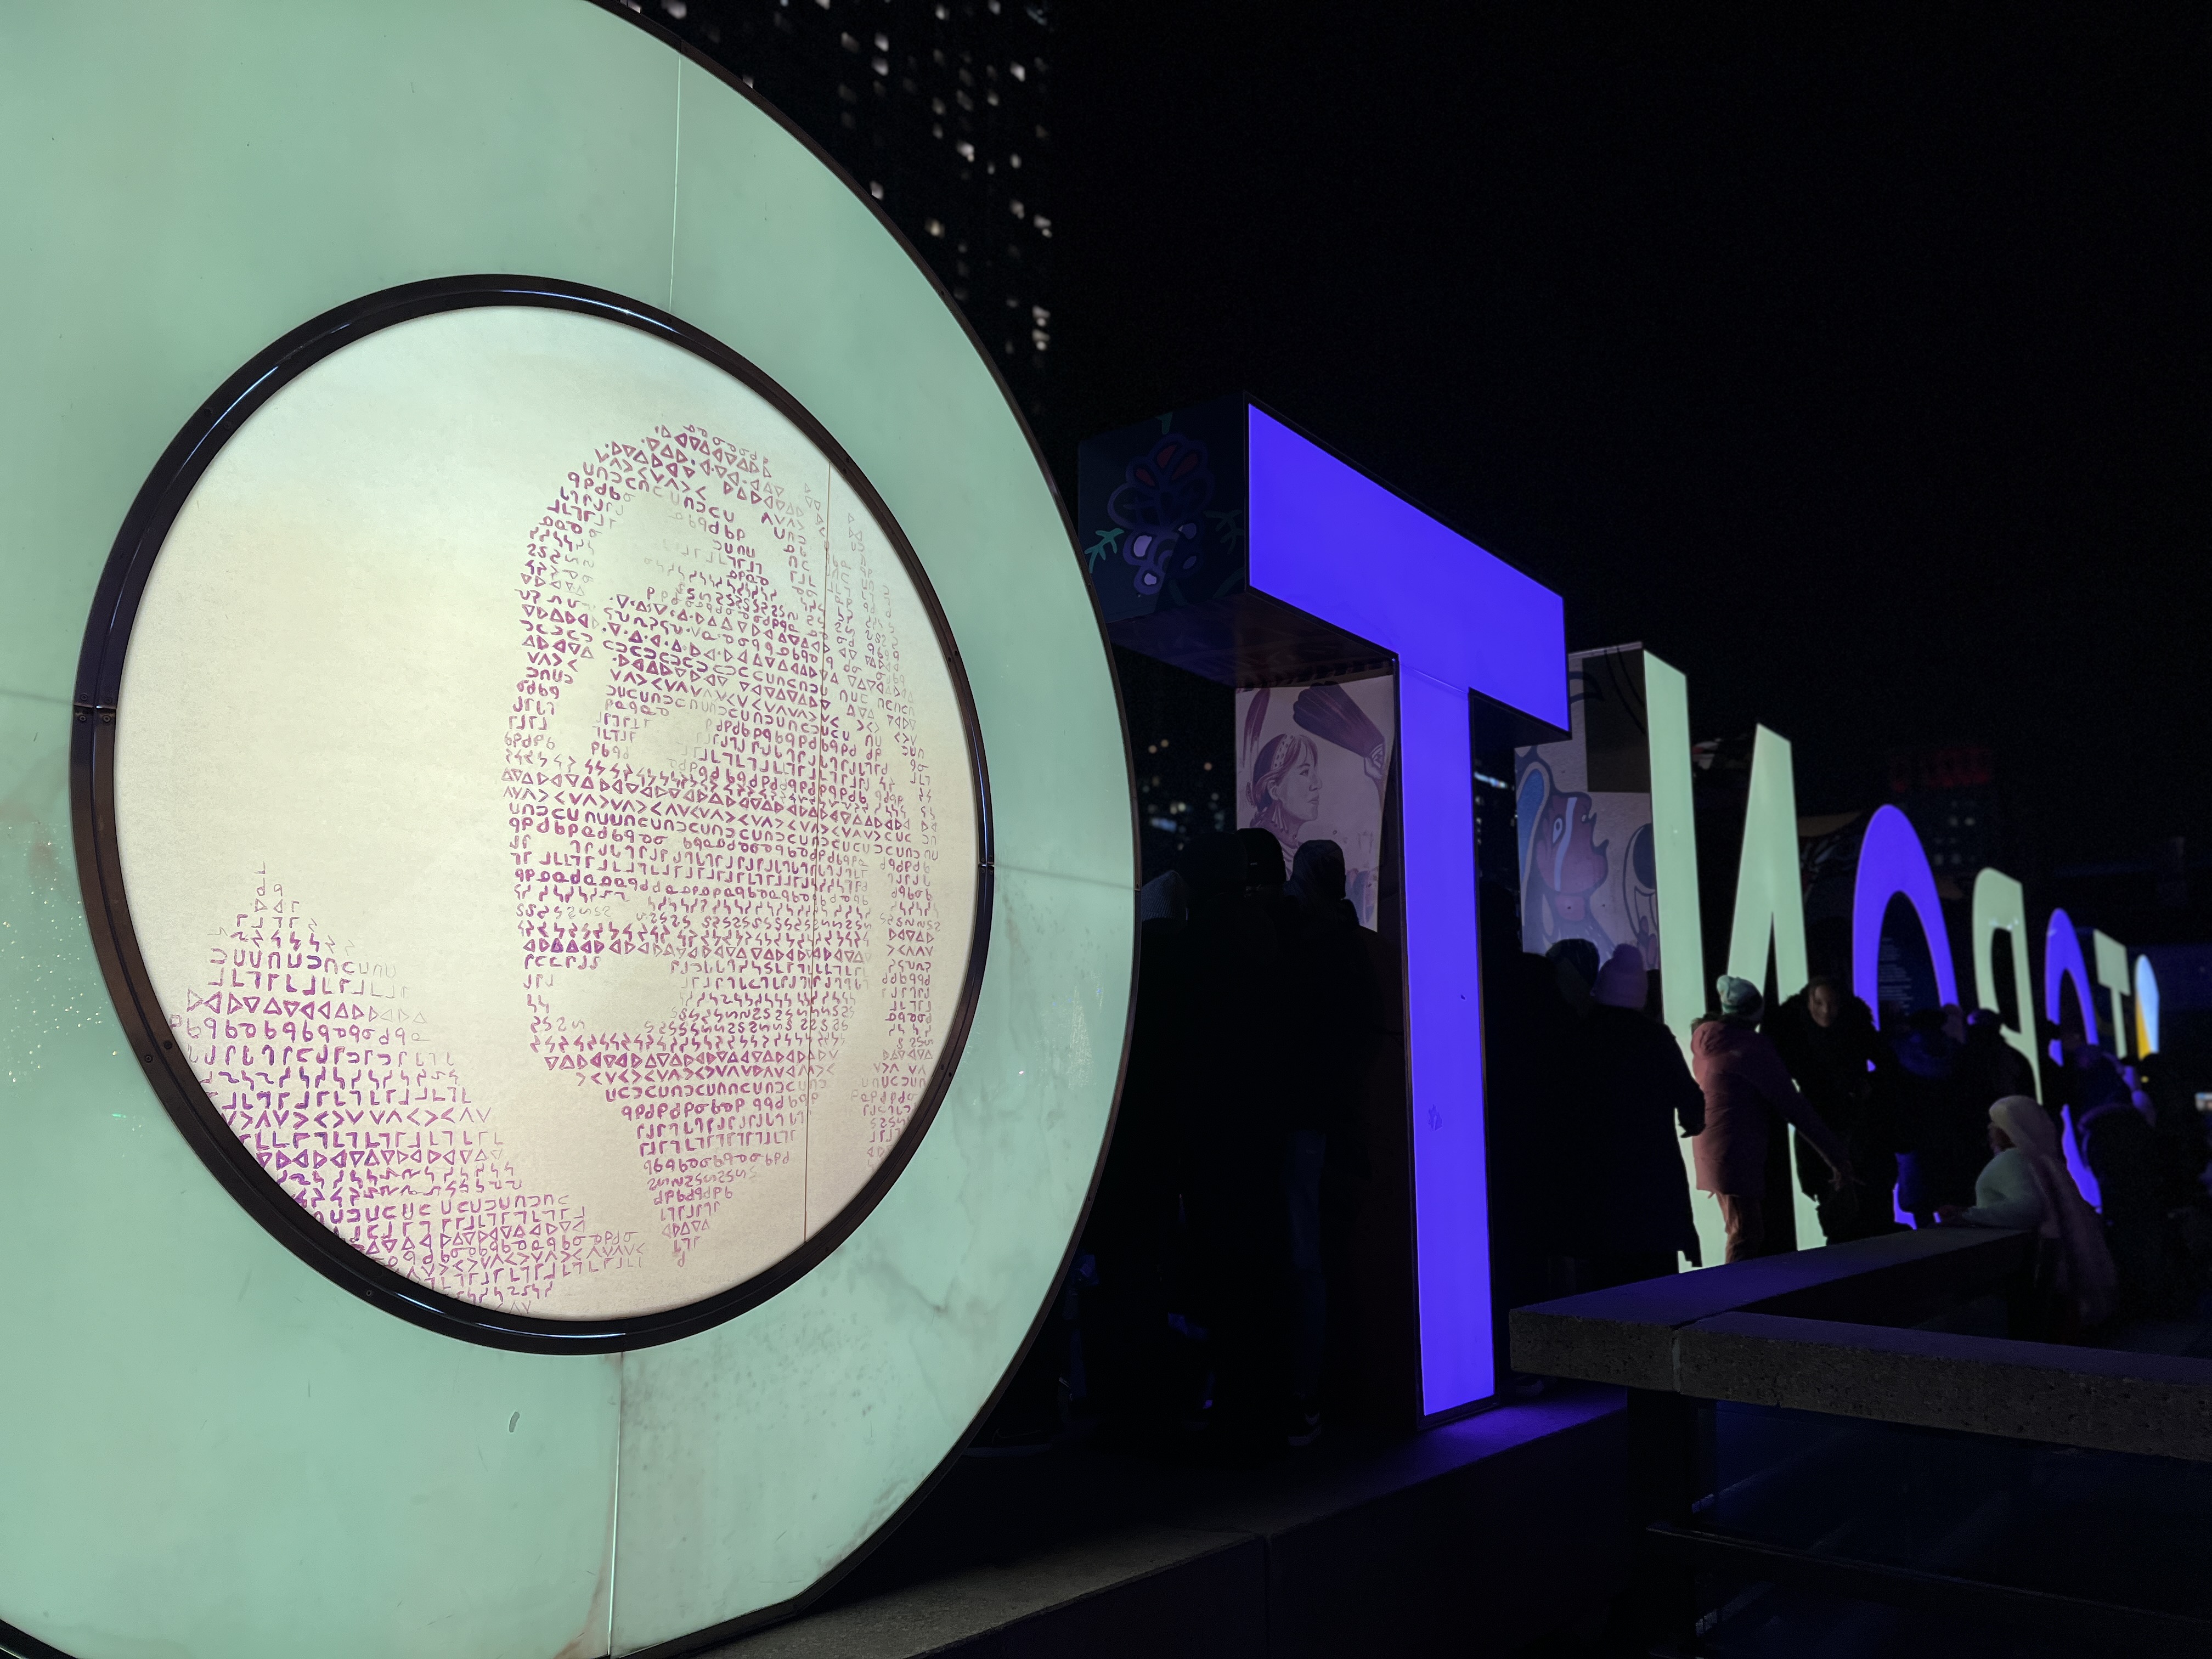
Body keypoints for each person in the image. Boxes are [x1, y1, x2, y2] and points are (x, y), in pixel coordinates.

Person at [1276, 838, 1376, 1444]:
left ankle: (1304, 1392)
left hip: (1306, 1120)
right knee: (1320, 1253)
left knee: (1303, 1256)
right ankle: (1317, 1390)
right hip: (1338, 1121)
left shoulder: (1310, 945)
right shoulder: (1350, 943)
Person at [1692, 975, 1854, 1263]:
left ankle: (1737, 1289)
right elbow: (1794, 1107)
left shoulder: (1708, 1039)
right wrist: (1837, 1157)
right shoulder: (1751, 1049)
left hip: (1713, 1147)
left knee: (1742, 1230)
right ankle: (1734, 1291)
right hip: (1735, 1151)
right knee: (1745, 1234)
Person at [1572, 945, 1705, 1284]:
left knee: (1603, 1281)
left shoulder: (1582, 1036)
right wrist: (1691, 1120)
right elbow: (1690, 1098)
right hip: (1652, 1179)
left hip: (1595, 1177)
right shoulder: (1656, 1038)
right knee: (1655, 1280)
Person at [1942, 1095, 2117, 1339]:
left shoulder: (2010, 1161)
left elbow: (2028, 1209)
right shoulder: (2043, 1161)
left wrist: (1969, 1216)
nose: (1991, 1129)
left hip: (2016, 1266)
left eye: (1997, 1123)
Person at [1767, 977, 1899, 1243]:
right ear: (1808, 1002)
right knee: (1834, 1205)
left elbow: (1888, 1064)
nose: (1826, 1011)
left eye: (1833, 1004)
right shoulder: (1790, 1028)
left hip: (1857, 1124)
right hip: (1818, 1122)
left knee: (1869, 1204)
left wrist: (1867, 1087)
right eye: (1819, 1003)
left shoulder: (1856, 1024)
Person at [1889, 1006, 1984, 1228]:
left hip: (1916, 1136)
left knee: (1922, 1203)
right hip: (1953, 1136)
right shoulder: (1959, 1055)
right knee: (1953, 1202)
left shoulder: (1898, 1056)